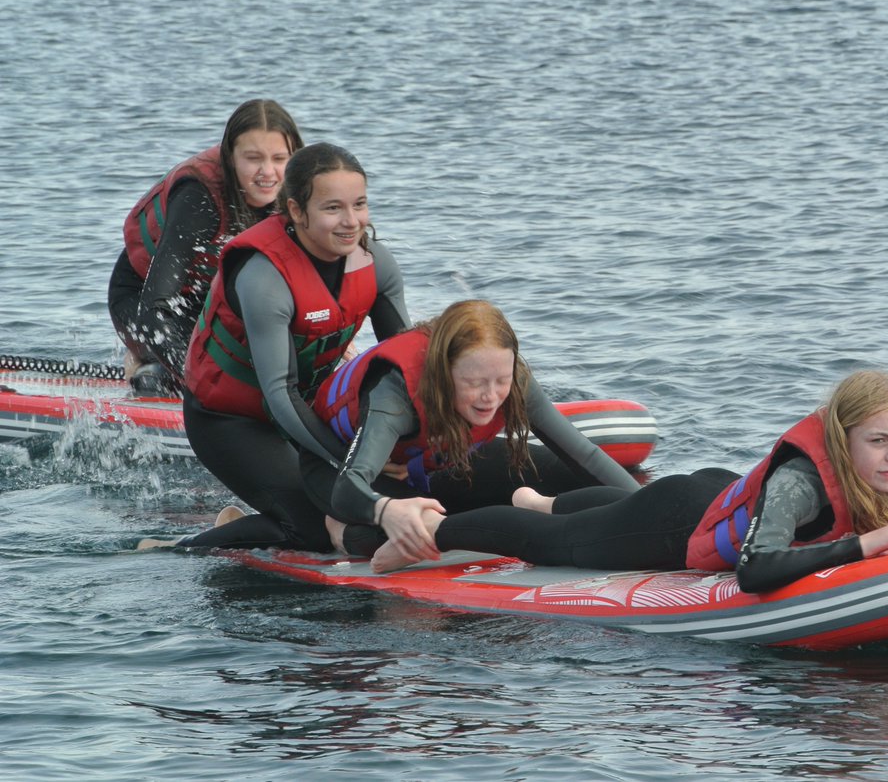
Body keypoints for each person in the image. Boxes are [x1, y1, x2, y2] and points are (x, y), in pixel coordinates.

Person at [384, 370, 888, 593]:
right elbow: (757, 569)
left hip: (716, 491)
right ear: (843, 441)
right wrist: (868, 546)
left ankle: (543, 496)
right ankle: (432, 526)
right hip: (679, 524)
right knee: (560, 543)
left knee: (585, 514)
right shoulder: (804, 482)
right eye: (879, 442)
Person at [137, 142, 411, 552]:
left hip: (306, 412)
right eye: (333, 208)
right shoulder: (263, 274)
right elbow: (278, 392)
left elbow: (404, 364)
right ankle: (178, 546)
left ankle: (258, 513)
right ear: (296, 211)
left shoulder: (377, 264)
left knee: (389, 500)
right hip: (229, 421)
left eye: (360, 205)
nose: (351, 222)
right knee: (315, 532)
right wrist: (352, 457)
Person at [303, 299, 640, 570]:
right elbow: (349, 488)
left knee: (566, 474)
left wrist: (643, 508)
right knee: (415, 530)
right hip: (343, 475)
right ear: (443, 372)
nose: (490, 396)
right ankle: (340, 531)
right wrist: (386, 511)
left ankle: (533, 504)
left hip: (431, 466)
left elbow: (584, 455)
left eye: (500, 381)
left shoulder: (512, 378)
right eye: (474, 383)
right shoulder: (396, 394)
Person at [109, 99, 304, 394]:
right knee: (218, 375)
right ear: (230, 157)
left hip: (208, 301)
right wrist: (197, 379)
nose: (268, 172)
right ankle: (153, 373)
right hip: (144, 302)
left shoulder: (297, 191)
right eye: (253, 158)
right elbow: (154, 307)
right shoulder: (198, 198)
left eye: (279, 159)